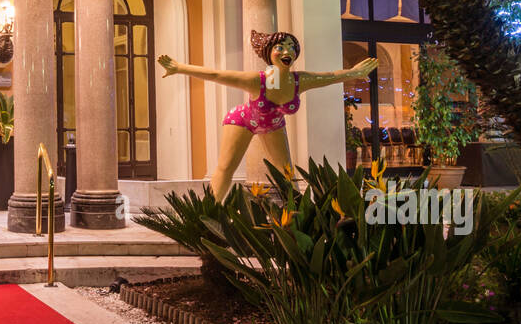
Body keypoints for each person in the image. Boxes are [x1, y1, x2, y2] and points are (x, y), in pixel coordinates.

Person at [158, 30, 379, 201]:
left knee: (286, 172)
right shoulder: (258, 80)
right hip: (242, 121)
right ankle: (210, 210)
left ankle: (296, 214)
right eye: (280, 47)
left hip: (273, 124)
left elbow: (329, 76)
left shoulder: (299, 81)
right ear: (269, 53)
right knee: (226, 167)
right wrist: (179, 67)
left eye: (292, 47)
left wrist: (354, 73)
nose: (287, 52)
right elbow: (217, 74)